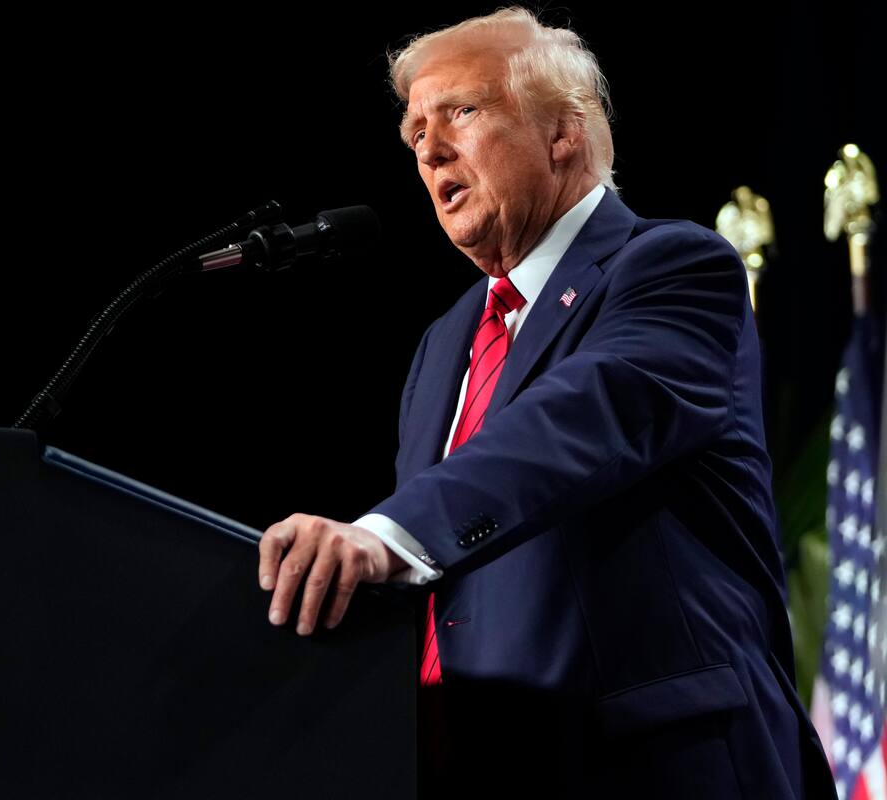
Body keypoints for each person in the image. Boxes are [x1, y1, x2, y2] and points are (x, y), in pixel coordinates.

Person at [255, 7, 836, 798]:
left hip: (654, 764)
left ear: (563, 132)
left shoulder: (672, 267)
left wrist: (386, 535)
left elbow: (582, 418)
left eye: (460, 111)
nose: (428, 149)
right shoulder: (444, 343)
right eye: (415, 132)